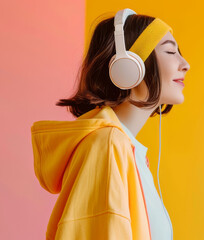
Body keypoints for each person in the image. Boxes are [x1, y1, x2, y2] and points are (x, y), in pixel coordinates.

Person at [30, 8, 190, 240]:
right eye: (170, 51)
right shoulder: (107, 145)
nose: (185, 64)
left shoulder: (124, 149)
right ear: (130, 66)